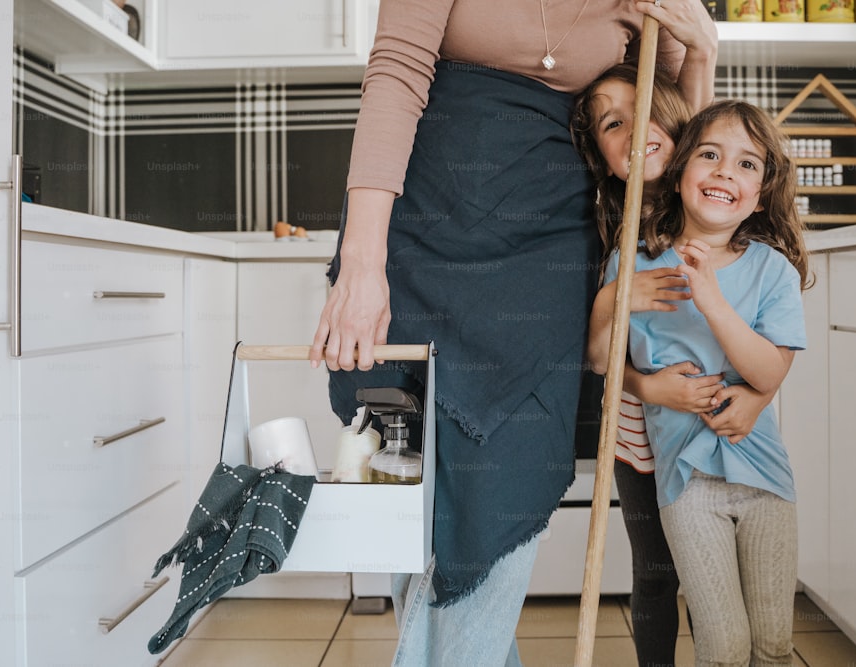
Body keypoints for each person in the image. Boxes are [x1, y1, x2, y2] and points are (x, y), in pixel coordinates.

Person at [307, 0, 718, 664]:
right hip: (419, 230)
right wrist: (362, 263)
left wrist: (702, 50)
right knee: (412, 492)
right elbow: (398, 70)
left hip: (546, 256)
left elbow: (670, 135)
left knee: (504, 473)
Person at [591, 99, 810, 665]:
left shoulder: (772, 271)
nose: (723, 173)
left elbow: (769, 371)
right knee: (726, 645)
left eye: (747, 165)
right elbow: (599, 359)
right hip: (686, 483)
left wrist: (710, 296)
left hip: (765, 477)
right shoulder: (631, 263)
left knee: (773, 644)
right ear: (682, 168)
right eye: (709, 155)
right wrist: (648, 387)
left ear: (760, 194)